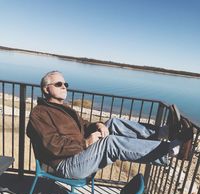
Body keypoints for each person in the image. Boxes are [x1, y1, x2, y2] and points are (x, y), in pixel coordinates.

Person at [27, 71, 193, 179]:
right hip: (66, 165)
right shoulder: (39, 114)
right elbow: (52, 145)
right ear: (46, 89)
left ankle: (163, 132)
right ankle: (172, 150)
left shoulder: (62, 108)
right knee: (110, 143)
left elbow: (83, 126)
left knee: (112, 123)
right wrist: (86, 143)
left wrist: (99, 125)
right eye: (59, 84)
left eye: (65, 84)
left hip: (79, 155)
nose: (64, 87)